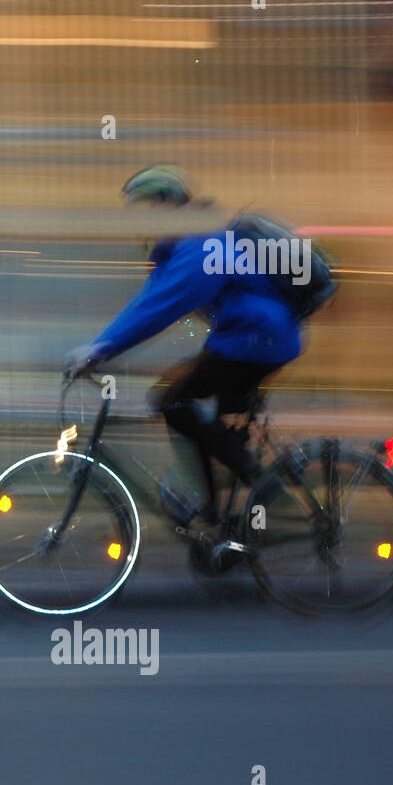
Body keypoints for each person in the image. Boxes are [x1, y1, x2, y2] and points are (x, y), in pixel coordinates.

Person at [64, 166, 302, 529]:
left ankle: (259, 486)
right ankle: (226, 519)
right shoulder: (183, 247)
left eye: (146, 210)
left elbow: (160, 306)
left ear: (168, 204)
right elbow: (149, 300)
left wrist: (101, 349)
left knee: (170, 398)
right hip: (247, 340)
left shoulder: (201, 244)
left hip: (257, 340)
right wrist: (101, 345)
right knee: (213, 428)